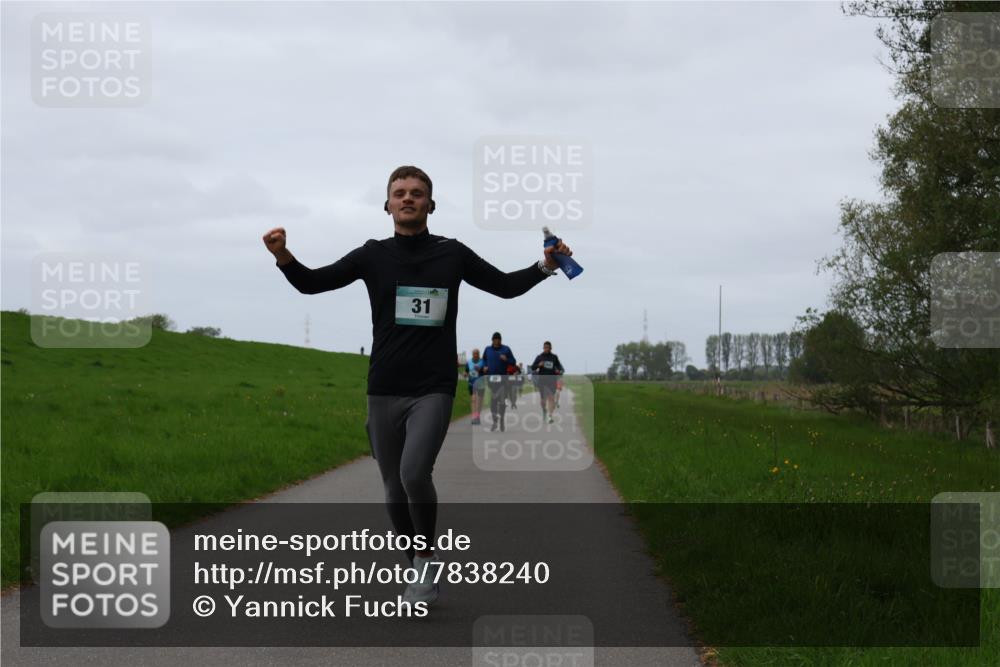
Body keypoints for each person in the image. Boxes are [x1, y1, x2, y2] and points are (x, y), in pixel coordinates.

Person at [262, 166, 572, 606]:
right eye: (400, 193)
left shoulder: (452, 253)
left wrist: (545, 266)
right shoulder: (372, 255)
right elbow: (314, 284)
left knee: (413, 474)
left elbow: (503, 286)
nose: (408, 198)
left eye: (417, 193)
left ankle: (424, 562)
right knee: (392, 486)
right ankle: (418, 564)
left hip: (433, 386)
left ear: (431, 204)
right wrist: (283, 255)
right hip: (384, 385)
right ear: (387, 204)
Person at [482, 332, 517, 432]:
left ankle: (501, 420)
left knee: (501, 401)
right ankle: (495, 421)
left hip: (503, 379)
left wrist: (506, 359)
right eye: (495, 339)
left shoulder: (506, 349)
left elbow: (513, 361)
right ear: (492, 340)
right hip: (491, 379)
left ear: (501, 340)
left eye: (499, 339)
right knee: (493, 401)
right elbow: (484, 359)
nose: (497, 341)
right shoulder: (487, 349)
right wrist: (485, 366)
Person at [531, 340, 565, 424]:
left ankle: (550, 416)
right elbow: (532, 367)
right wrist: (539, 365)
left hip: (552, 380)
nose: (546, 349)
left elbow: (559, 367)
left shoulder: (554, 357)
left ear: (551, 348)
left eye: (548, 348)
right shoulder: (539, 357)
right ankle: (544, 410)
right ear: (543, 348)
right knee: (543, 400)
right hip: (542, 380)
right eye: (545, 347)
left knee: (551, 398)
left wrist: (559, 371)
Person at [465, 348, 486, 424]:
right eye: (474, 354)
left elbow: (485, 371)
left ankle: (477, 416)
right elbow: (466, 371)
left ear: (479, 354)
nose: (475, 355)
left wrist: (481, 369)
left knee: (480, 401)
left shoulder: (482, 362)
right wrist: (465, 374)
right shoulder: (469, 362)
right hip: (471, 383)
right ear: (472, 354)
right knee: (473, 399)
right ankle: (474, 416)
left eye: (477, 354)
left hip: (481, 383)